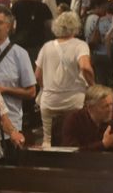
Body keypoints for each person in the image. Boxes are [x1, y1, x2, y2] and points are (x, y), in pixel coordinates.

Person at [36, 11, 94, 146]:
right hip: (73, 100)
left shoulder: (47, 46)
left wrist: (46, 88)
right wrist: (92, 85)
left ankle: (46, 163)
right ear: (76, 27)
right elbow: (85, 67)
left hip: (49, 100)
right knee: (73, 138)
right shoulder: (80, 45)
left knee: (47, 140)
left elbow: (37, 75)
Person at [0, 5, 38, 142]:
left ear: (9, 26)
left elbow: (31, 92)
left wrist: (4, 90)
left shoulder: (20, 54)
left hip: (9, 130)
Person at [62, 84, 113, 150]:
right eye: (105, 106)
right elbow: (71, 152)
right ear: (90, 108)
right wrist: (103, 145)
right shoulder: (74, 120)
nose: (110, 109)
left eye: (111, 104)